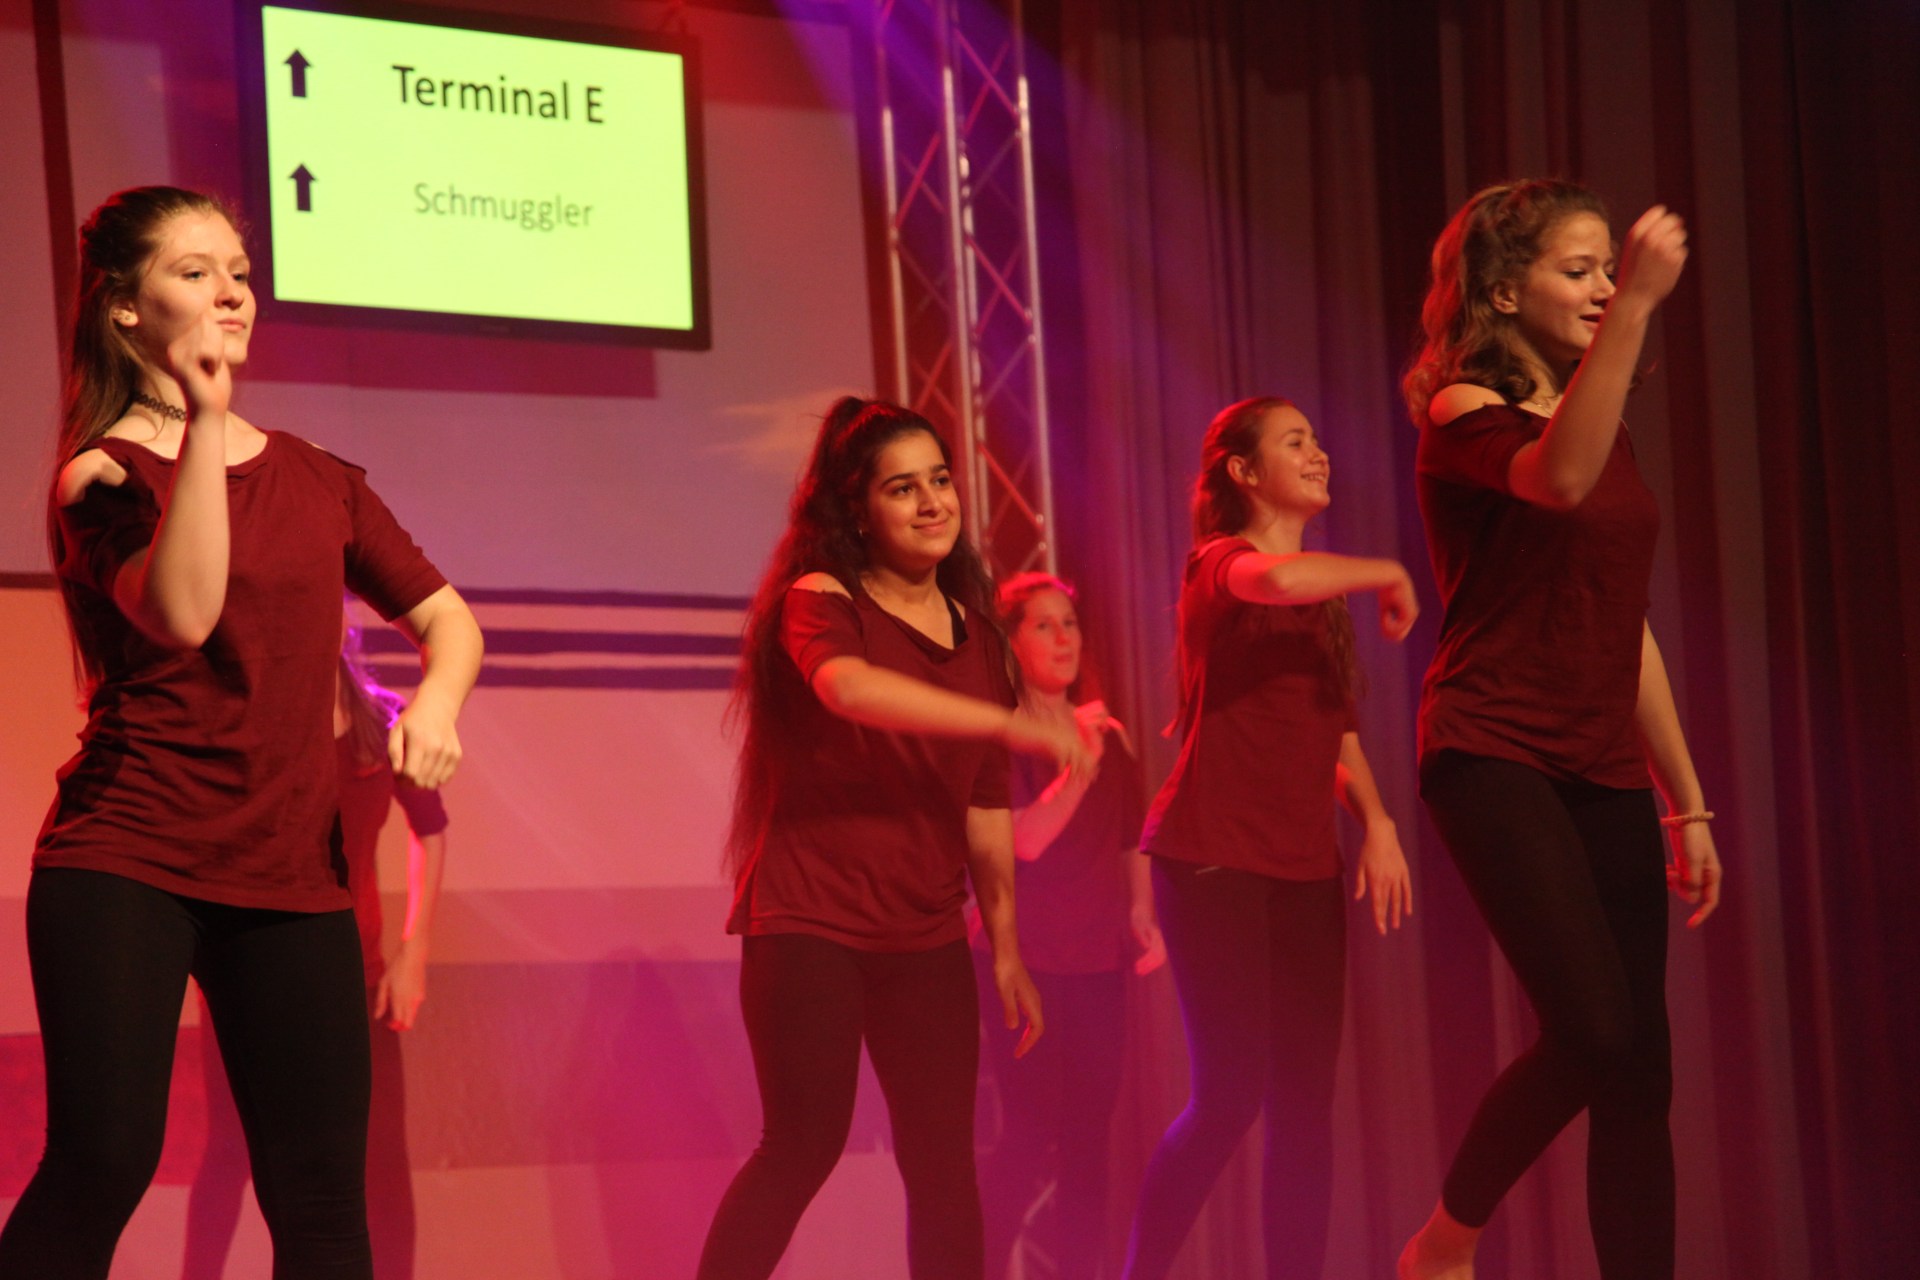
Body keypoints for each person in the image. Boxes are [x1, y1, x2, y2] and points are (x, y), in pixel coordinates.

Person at [0, 186, 482, 1280]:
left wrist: (438, 704)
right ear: (123, 307)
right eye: (194, 271)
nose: (230, 293)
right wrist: (207, 422)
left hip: (291, 872)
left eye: (240, 273)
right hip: (131, 856)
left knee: (323, 1199)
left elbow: (449, 620)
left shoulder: (319, 478)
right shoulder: (102, 474)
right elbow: (184, 609)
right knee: (101, 1165)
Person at [1394, 179, 1722, 1280]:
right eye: (1578, 271)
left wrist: (1686, 800)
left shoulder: (1604, 419)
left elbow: (1626, 626)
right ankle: (1446, 1240)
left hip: (1600, 760)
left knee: (1640, 1072)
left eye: (1608, 272)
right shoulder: (1462, 410)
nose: (1602, 290)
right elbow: (1560, 477)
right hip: (1493, 748)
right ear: (1502, 290)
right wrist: (1638, 309)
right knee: (1591, 1030)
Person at [695, 396, 1092, 1280]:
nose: (931, 503)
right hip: (811, 922)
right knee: (802, 1146)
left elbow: (984, 804)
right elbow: (849, 689)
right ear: (858, 510)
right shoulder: (821, 597)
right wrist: (1010, 725)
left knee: (945, 1165)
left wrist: (1007, 948)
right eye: (902, 488)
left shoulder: (982, 640)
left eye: (939, 481)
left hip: (925, 933)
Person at [1121, 397, 1418, 1280]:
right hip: (1212, 858)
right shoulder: (1219, 562)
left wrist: (1379, 825)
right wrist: (1385, 569)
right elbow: (1275, 582)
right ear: (1245, 472)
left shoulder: (1322, 602)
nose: (1319, 453)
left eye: (1318, 438)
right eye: (1296, 442)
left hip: (1304, 871)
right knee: (1229, 1098)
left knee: (1305, 1107)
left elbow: (1337, 737)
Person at [181, 614, 450, 1280]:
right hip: (253, 971)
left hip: (357, 975)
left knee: (380, 1157)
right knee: (232, 1150)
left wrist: (414, 950)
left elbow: (431, 828)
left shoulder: (382, 723)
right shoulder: (255, 720)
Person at [976, 572, 1165, 1280]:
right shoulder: (1002, 738)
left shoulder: (1106, 737)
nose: (1063, 638)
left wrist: (1141, 912)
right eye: (1043, 625)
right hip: (1024, 962)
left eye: (1070, 624)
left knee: (1090, 1142)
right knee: (1028, 1134)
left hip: (1096, 963)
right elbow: (1024, 840)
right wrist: (1078, 764)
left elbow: (1132, 838)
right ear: (1012, 644)